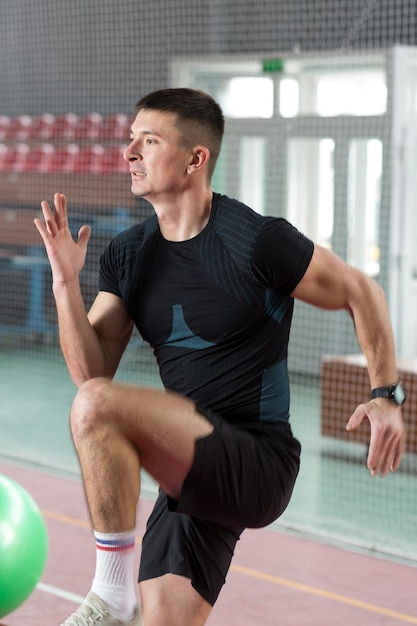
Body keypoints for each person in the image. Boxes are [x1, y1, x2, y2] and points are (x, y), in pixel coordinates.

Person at [34, 88, 405, 626]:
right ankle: (121, 600)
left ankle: (110, 597)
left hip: (257, 461)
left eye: (149, 140)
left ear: (195, 158)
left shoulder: (256, 241)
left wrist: (385, 395)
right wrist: (66, 283)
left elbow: (360, 290)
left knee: (97, 406)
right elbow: (91, 371)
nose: (129, 152)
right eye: (130, 139)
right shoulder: (130, 254)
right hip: (189, 468)